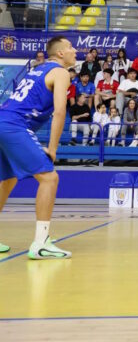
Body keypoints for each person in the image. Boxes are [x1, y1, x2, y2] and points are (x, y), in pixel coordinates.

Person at [0, 36, 76, 259]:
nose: (74, 50)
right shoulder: (61, 72)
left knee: (8, 179)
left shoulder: (38, 69)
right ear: (60, 53)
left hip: (3, 120)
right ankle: (41, 243)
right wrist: (52, 149)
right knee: (49, 178)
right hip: (15, 124)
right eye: (70, 47)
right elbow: (60, 112)